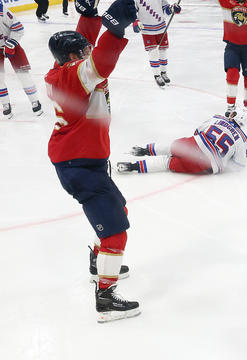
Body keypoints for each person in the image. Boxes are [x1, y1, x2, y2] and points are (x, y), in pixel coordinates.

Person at [46, 0, 140, 323]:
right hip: (80, 165)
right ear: (72, 60)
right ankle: (105, 297)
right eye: (82, 50)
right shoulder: (76, 76)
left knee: (119, 210)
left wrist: (88, 18)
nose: (87, 51)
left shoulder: (63, 69)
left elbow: (79, 49)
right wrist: (113, 31)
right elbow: (100, 62)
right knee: (116, 232)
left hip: (82, 161)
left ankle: (98, 261)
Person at [116, 109, 247, 174]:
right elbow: (239, 166)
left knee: (171, 147)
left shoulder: (218, 118)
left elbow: (197, 131)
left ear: (234, 115)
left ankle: (144, 150)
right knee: (167, 163)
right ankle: (131, 167)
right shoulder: (243, 140)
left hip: (196, 144)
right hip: (207, 165)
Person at [0, 4, 43, 118]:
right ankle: (5, 104)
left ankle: (35, 101)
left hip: (11, 44)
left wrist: (10, 44)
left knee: (23, 75)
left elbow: (18, 28)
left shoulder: (2, 11)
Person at [132, 0, 182, 88]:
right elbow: (132, 12)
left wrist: (173, 8)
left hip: (161, 27)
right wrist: (135, 22)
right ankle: (157, 75)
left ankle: (163, 72)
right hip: (146, 28)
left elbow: (165, 9)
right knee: (153, 52)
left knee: (163, 51)